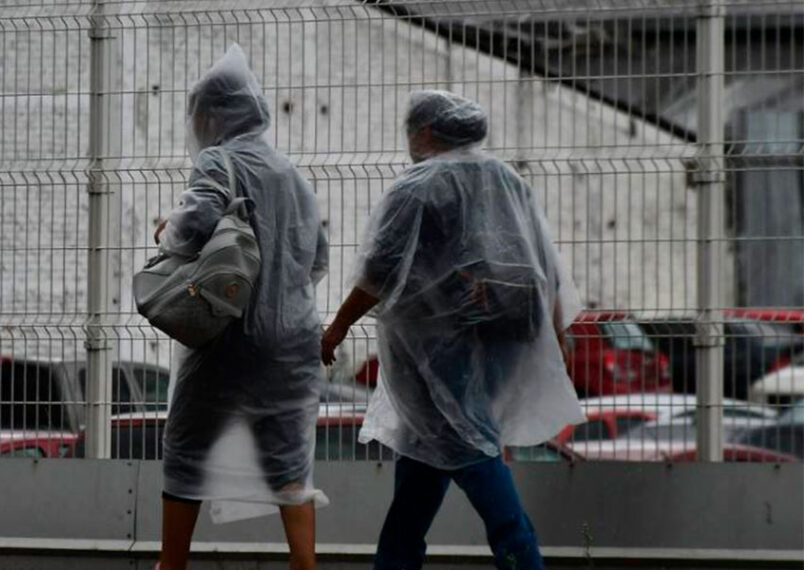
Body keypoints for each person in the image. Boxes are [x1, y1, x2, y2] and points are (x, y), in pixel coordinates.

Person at [320, 90, 584, 570]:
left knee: (473, 448)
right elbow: (546, 267)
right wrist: (555, 334)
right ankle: (394, 563)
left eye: (410, 131)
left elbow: (378, 271)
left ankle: (524, 559)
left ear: (425, 132)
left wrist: (337, 327)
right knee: (425, 457)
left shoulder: (417, 187)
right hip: (503, 342)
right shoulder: (508, 180)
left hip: (434, 351)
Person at [153, 44, 330, 570]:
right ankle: (305, 565)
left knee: (186, 450)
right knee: (290, 468)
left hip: (230, 338)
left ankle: (172, 564)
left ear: (214, 115)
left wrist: (167, 230)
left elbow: (194, 226)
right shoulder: (292, 174)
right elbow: (316, 260)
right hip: (295, 342)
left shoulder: (219, 159)